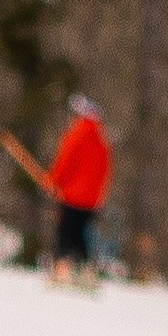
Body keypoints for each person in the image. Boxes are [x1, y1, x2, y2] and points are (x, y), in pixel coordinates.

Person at [45, 94, 111, 286]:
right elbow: (104, 171)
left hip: (73, 195)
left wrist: (52, 182)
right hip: (92, 198)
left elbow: (65, 161)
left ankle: (63, 268)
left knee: (66, 230)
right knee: (81, 232)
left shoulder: (76, 135)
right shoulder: (102, 140)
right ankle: (85, 271)